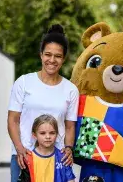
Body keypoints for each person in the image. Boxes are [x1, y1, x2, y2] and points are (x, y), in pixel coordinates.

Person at [7, 24, 79, 182]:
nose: (52, 60)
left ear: (63, 58)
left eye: (58, 56)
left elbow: (70, 126)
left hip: (55, 160)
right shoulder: (24, 82)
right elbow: (13, 120)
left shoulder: (71, 89)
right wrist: (19, 149)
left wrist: (68, 148)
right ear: (41, 55)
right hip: (24, 157)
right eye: (48, 54)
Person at [18, 114, 76, 182]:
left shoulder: (63, 157)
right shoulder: (28, 159)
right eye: (42, 133)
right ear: (34, 135)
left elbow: (71, 180)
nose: (48, 136)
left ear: (57, 134)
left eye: (52, 133)